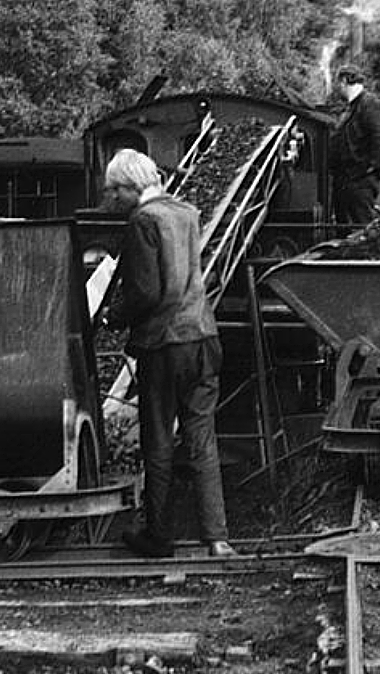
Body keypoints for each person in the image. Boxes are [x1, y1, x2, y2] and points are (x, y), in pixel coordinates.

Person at [100, 148, 236, 559]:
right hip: (204, 338)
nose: (111, 200)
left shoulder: (143, 221)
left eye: (113, 191)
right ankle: (217, 538)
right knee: (201, 438)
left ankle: (160, 536)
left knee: (158, 438)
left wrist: (112, 317)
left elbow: (147, 292)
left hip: (165, 344)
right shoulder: (186, 212)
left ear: (130, 187)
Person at [331, 64, 380, 224]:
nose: (338, 89)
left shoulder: (368, 104)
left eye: (338, 84)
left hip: (360, 179)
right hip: (351, 177)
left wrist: (371, 167)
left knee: (362, 225)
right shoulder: (354, 106)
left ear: (344, 81)